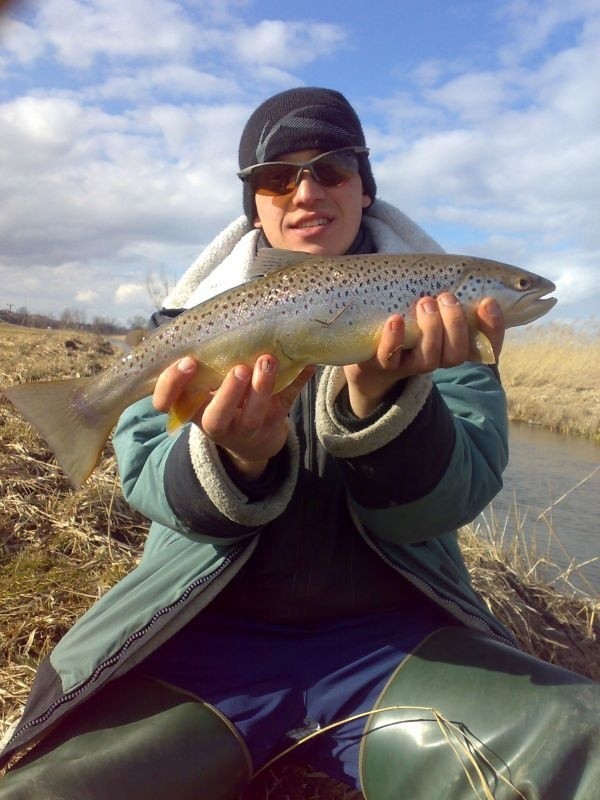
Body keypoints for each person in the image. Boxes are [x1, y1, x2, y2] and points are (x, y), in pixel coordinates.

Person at [1, 87, 599, 800]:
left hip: (398, 645)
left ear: (364, 187)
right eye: (277, 177)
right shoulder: (192, 319)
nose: (306, 189)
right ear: (253, 203)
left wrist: (382, 399)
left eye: (333, 167)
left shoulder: (454, 337)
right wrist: (234, 457)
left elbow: (453, 499)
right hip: (198, 640)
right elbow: (146, 477)